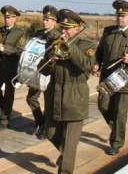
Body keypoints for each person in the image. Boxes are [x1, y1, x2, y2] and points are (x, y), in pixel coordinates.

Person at [40, 9, 96, 174]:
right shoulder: (54, 43)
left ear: (77, 29)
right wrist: (50, 58)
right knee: (50, 132)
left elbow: (86, 65)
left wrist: (69, 48)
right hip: (54, 94)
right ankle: (66, 155)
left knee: (70, 143)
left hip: (75, 95)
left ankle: (66, 164)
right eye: (62, 27)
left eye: (67, 28)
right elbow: (42, 70)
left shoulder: (88, 44)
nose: (63, 31)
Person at [93, 0, 128, 156]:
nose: (120, 19)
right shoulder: (108, 32)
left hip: (125, 79)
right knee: (103, 106)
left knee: (119, 112)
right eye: (118, 16)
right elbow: (100, 52)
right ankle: (117, 129)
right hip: (107, 78)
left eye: (123, 16)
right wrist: (96, 64)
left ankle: (116, 143)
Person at [25, 5, 61, 139]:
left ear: (54, 22)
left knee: (48, 102)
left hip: (49, 73)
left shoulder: (57, 37)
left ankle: (45, 127)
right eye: (44, 19)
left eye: (48, 20)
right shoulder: (39, 34)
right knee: (31, 98)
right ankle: (39, 121)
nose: (44, 22)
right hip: (36, 71)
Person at [0, 5, 26, 130]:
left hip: (11, 66)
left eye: (9, 17)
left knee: (9, 93)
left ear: (15, 19)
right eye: (5, 17)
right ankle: (5, 110)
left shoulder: (20, 33)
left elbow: (19, 51)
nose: (7, 19)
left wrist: (4, 49)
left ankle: (5, 120)